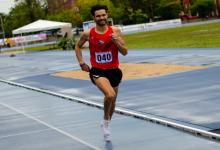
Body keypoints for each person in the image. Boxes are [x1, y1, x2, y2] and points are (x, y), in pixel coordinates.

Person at [75, 4, 127, 141]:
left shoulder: (115, 31)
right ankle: (105, 122)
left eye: (103, 15)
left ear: (107, 15)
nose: (101, 18)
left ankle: (107, 123)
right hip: (97, 70)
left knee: (113, 102)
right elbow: (78, 46)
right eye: (98, 16)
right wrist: (81, 62)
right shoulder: (88, 34)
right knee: (110, 94)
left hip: (114, 71)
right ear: (94, 18)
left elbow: (125, 52)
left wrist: (116, 41)